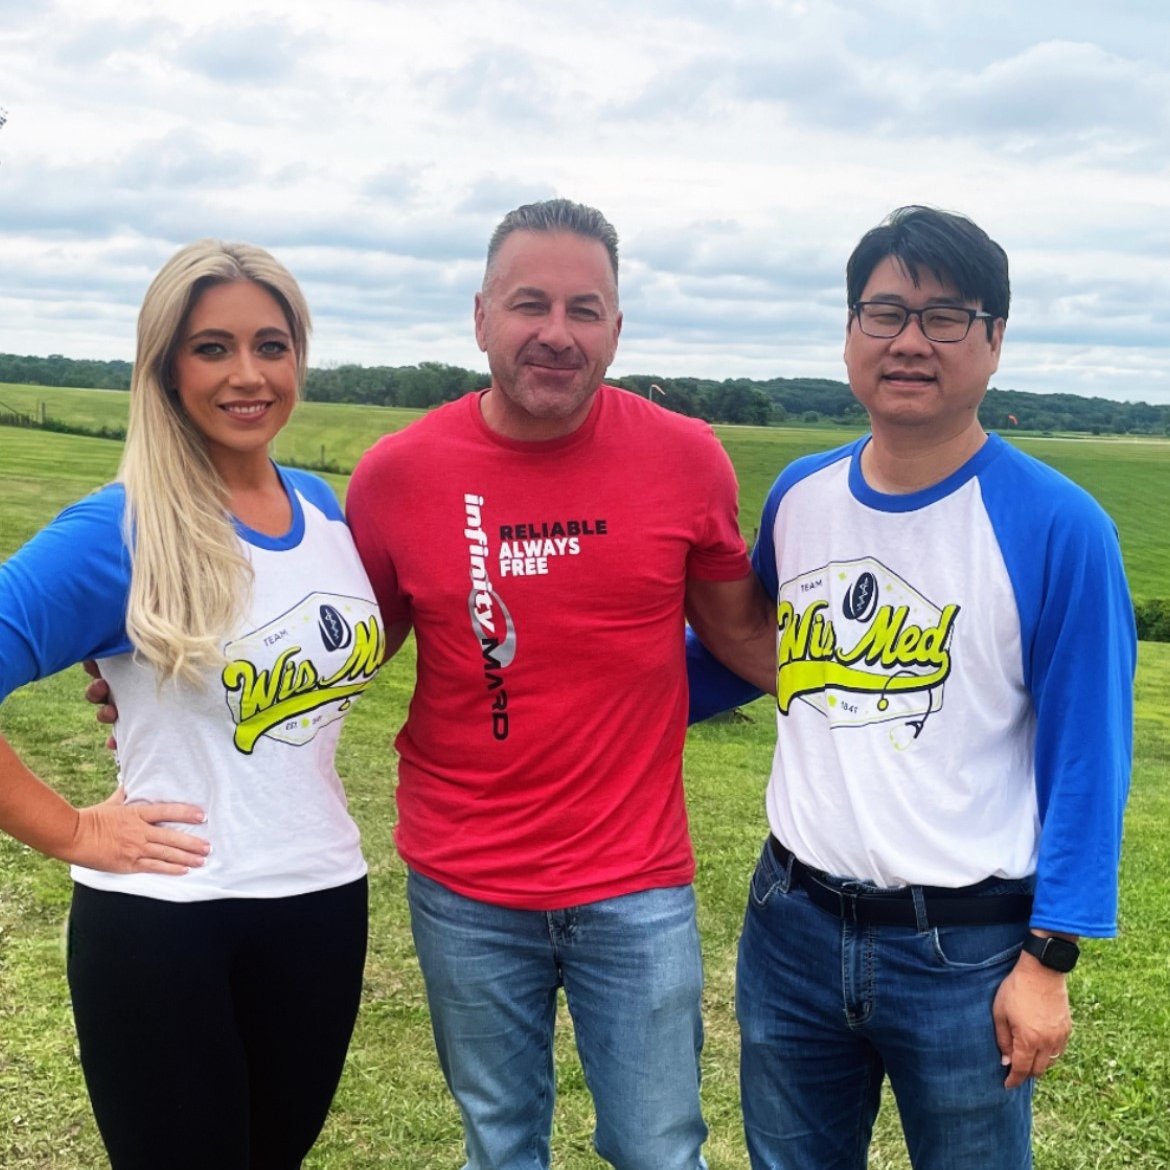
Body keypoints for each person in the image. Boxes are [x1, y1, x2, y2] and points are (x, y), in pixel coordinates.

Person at [687, 205, 1136, 1169]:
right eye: (884, 312)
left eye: (946, 317)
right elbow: (751, 649)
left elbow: (1090, 761)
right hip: (790, 923)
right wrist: (578, 676)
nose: (909, 341)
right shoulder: (801, 497)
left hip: (966, 952)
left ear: (995, 339)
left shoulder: (1060, 526)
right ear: (850, 331)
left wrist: (1049, 961)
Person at [344, 198, 763, 1170]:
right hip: (465, 881)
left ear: (616, 328)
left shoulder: (686, 458)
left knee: (659, 1148)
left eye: (586, 309)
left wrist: (924, 686)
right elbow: (342, 652)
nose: (557, 333)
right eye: (531, 303)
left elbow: (743, 634)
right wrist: (170, 690)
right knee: (500, 1144)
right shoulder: (398, 475)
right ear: (481, 315)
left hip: (637, 881)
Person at [0, 241, 384, 1169]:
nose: (248, 375)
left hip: (322, 902)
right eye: (213, 348)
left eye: (272, 344)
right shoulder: (122, 527)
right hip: (171, 922)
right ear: (166, 367)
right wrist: (74, 833)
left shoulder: (323, 507)